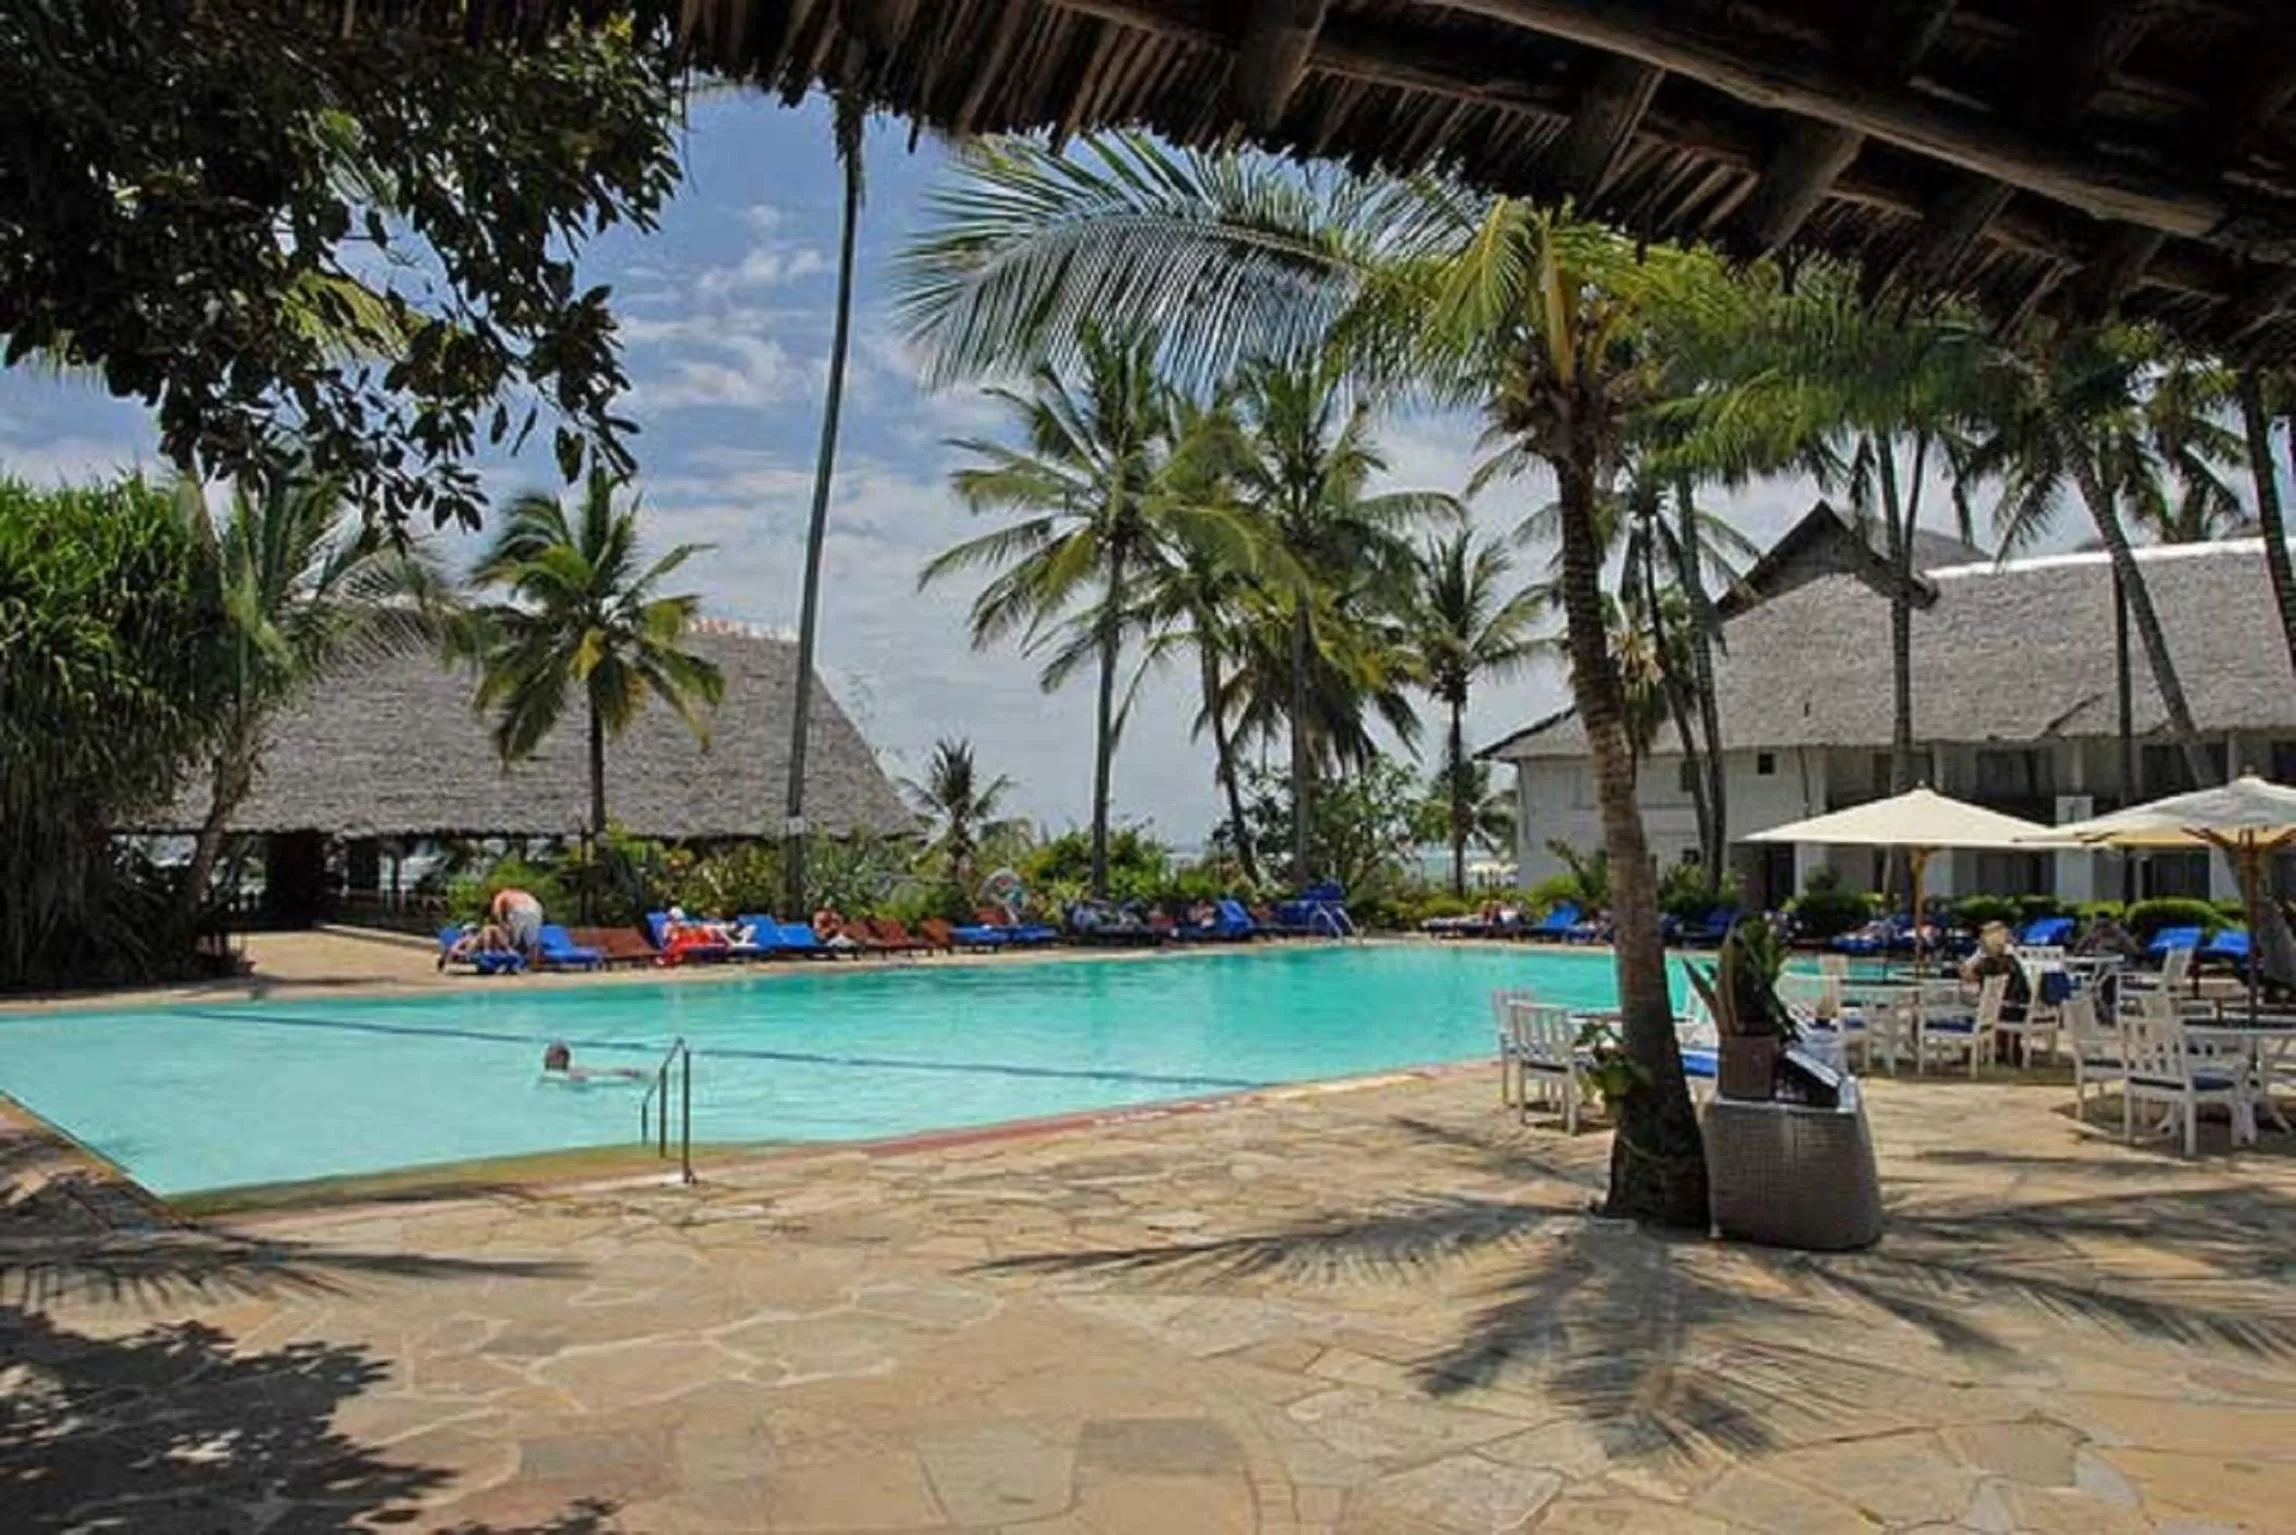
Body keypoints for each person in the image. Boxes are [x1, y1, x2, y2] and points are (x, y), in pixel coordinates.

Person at [1960, 920, 2033, 1061]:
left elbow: (1966, 974)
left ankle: (1980, 1045)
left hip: (2004, 1010)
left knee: (1969, 1007)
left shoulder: (1990, 963)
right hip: (2019, 1008)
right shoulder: (2011, 959)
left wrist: (1976, 957)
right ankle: (2003, 1047)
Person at [540, 1041, 644, 1083]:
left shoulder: (574, 1074)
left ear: (560, 1059)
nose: (545, 1060)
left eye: (549, 1058)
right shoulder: (567, 1073)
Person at [491, 886, 544, 962]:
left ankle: (511, 961)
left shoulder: (501, 895)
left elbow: (496, 911)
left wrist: (501, 923)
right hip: (535, 908)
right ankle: (534, 964)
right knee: (532, 940)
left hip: (518, 909)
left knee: (512, 938)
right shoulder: (522, 893)